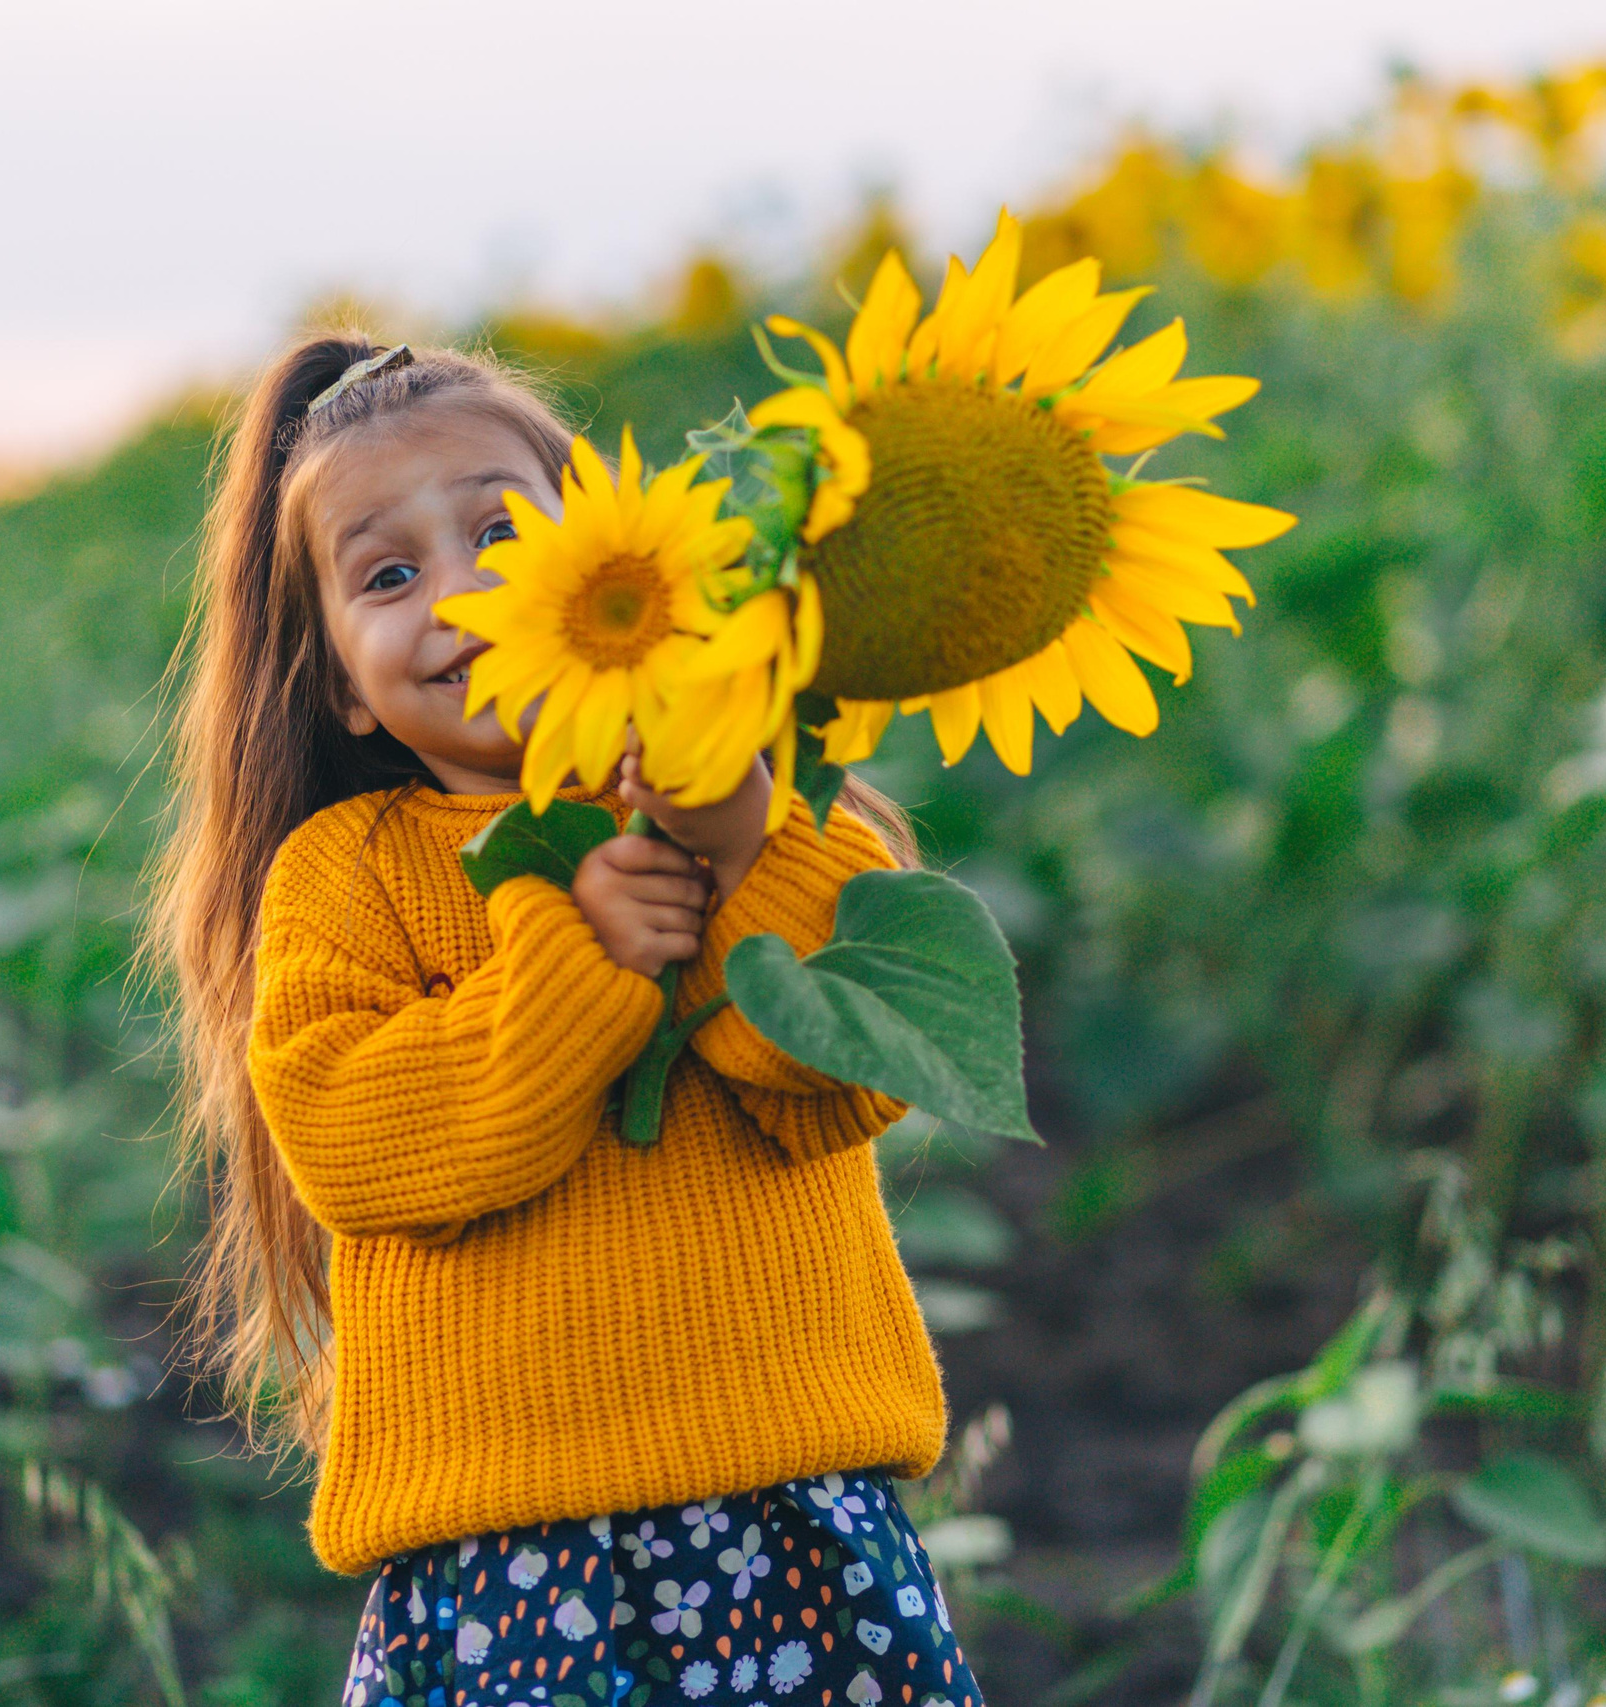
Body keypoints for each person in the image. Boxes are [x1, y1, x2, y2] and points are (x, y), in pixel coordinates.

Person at [144, 330, 985, 1707]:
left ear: (620, 564)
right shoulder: (347, 876)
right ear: (344, 682)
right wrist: (580, 954)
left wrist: (733, 835)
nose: (467, 592)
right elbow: (359, 1143)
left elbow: (849, 1066)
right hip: (508, 1563)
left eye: (503, 535)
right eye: (390, 574)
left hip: (789, 1506)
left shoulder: (766, 801)